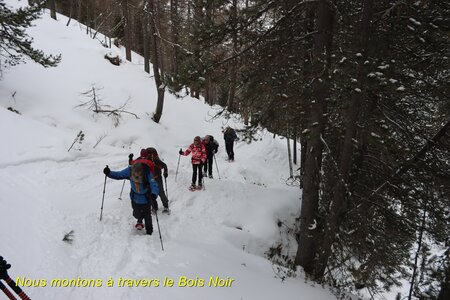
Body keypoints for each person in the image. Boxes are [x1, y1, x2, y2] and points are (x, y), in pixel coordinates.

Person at [103, 162, 159, 235]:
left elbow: (154, 184)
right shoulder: (129, 170)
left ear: (141, 171)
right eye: (134, 173)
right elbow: (119, 175)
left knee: (147, 216)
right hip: (135, 197)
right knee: (136, 214)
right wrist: (109, 173)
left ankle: (149, 231)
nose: (136, 175)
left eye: (138, 173)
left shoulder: (147, 173)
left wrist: (154, 194)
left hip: (146, 198)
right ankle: (140, 220)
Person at [146, 147, 170, 214]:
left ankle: (166, 206)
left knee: (160, 193)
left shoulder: (156, 160)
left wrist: (165, 172)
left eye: (149, 154)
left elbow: (164, 166)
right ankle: (154, 207)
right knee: (151, 194)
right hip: (151, 180)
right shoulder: (146, 160)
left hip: (157, 179)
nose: (148, 155)